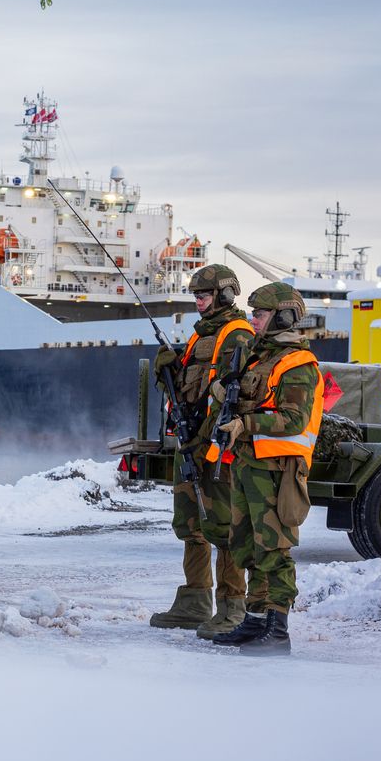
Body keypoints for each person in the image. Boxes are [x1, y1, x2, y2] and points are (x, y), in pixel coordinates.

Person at [205, 283, 324, 656]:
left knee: (274, 549)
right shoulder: (257, 357)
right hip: (249, 465)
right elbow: (241, 394)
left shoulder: (297, 364)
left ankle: (278, 630)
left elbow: (292, 418)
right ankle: (256, 619)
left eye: (259, 313)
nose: (252, 319)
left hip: (278, 470)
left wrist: (246, 424)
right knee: (246, 546)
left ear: (282, 316)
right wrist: (223, 393)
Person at [148, 264, 253, 635]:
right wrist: (170, 373)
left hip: (215, 448)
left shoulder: (236, 335)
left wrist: (202, 440)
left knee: (223, 527)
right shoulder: (200, 336)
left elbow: (230, 398)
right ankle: (194, 601)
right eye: (195, 296)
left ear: (225, 294)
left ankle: (232, 606)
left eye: (205, 295)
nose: (198, 302)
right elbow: (192, 390)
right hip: (191, 444)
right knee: (190, 524)